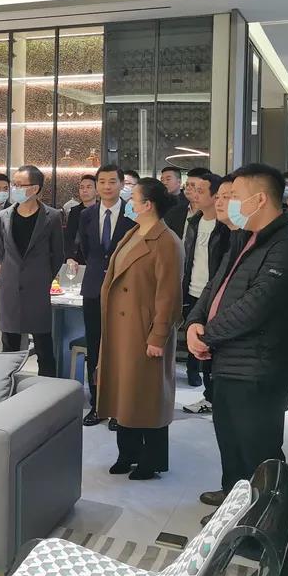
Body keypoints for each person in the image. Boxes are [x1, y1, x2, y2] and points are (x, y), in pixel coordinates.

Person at [186, 163, 288, 576]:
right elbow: (214, 288)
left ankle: (279, 568)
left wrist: (207, 334)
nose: (229, 202)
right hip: (229, 366)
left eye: (235, 194)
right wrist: (194, 324)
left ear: (259, 199)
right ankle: (245, 540)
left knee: (265, 472)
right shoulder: (246, 237)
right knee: (238, 466)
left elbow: (256, 307)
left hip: (259, 370)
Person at [96, 177, 182, 480]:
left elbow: (169, 295)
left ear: (147, 205)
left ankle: (152, 459)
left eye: (133, 198)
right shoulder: (133, 232)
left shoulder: (167, 241)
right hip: (122, 328)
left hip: (144, 329)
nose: (128, 202)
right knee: (126, 394)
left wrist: (158, 335)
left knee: (147, 395)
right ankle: (127, 453)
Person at [68, 164, 135, 426]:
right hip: (94, 287)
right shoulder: (87, 215)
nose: (107, 186)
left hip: (123, 288)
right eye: (102, 182)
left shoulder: (132, 212)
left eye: (112, 182)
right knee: (95, 346)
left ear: (121, 184)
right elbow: (86, 249)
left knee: (120, 348)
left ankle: (119, 406)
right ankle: (98, 404)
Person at [0, 165, 65, 376]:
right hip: (9, 289)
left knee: (44, 348)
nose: (14, 189)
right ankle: (6, 388)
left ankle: (47, 390)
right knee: (9, 348)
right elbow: (1, 253)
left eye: (19, 185)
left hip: (37, 289)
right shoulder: (4, 216)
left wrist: (42, 278)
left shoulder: (52, 216)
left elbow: (57, 255)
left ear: (34, 188)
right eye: (13, 184)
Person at [183, 173, 238, 414]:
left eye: (200, 190)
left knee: (214, 348)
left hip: (215, 293)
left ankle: (215, 397)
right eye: (193, 189)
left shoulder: (226, 228)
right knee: (199, 345)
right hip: (194, 290)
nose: (194, 194)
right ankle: (209, 395)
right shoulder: (195, 222)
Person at [163, 165, 204, 238]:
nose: (188, 188)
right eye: (187, 184)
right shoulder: (174, 212)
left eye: (193, 185)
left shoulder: (215, 214)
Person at [64, 174, 97, 261]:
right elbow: (69, 237)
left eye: (89, 187)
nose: (84, 190)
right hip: (78, 257)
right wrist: (69, 257)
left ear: (97, 191)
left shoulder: (102, 210)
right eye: (82, 187)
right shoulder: (74, 211)